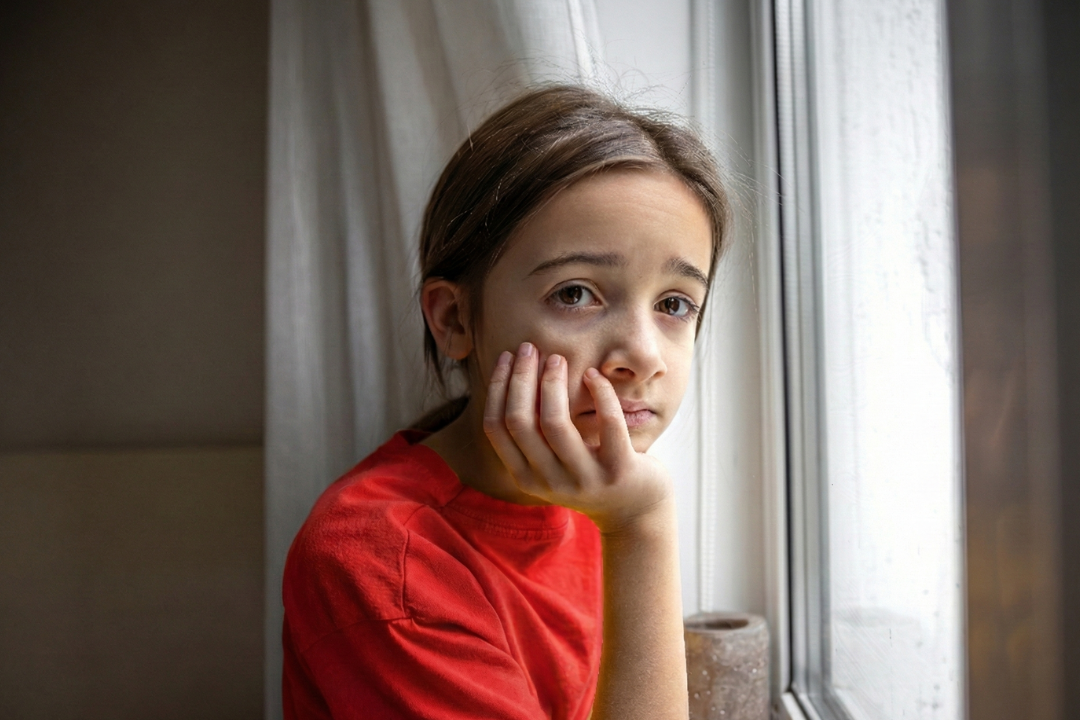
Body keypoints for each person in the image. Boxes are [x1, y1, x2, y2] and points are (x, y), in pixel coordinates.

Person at [281, 84, 730, 720]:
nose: (645, 355)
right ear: (456, 319)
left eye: (674, 304)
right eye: (575, 294)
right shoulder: (384, 563)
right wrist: (641, 527)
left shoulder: (593, 486)